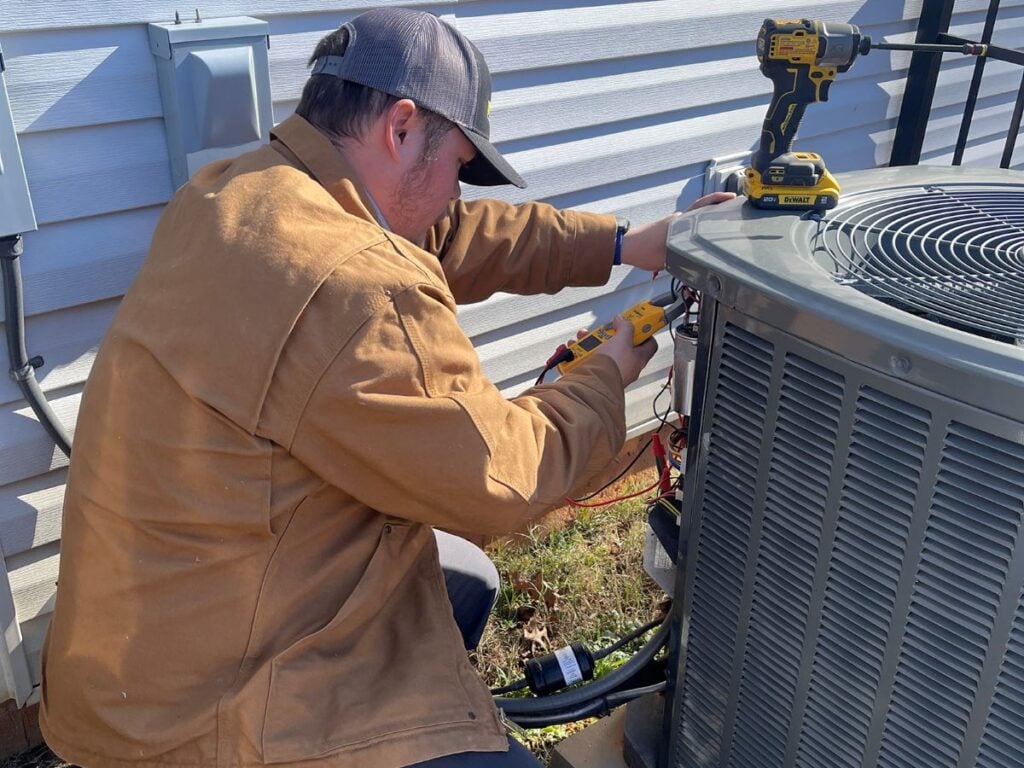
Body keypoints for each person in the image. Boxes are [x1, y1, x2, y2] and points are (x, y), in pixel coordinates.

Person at [39, 8, 729, 768]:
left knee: (461, 579)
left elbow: (452, 234)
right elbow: (503, 479)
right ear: (401, 127)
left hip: (138, 661)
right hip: (212, 713)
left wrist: (625, 243)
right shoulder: (354, 285)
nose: (454, 197)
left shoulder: (240, 193)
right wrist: (611, 366)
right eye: (460, 168)